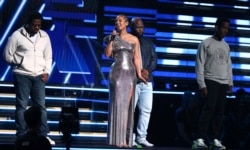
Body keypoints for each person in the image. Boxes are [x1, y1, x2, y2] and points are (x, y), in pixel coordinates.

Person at [3, 12, 55, 145]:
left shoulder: (44, 36)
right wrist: (20, 62)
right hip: (22, 75)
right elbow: (7, 55)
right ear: (28, 23)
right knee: (22, 106)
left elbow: (48, 57)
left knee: (41, 107)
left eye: (39, 25)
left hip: (39, 75)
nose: (36, 28)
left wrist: (47, 72)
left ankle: (43, 135)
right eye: (34, 25)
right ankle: (21, 135)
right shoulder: (17, 35)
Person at [104, 14, 146, 148]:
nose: (118, 23)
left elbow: (137, 58)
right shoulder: (112, 38)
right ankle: (117, 139)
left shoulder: (134, 39)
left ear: (127, 23)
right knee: (117, 105)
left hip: (129, 74)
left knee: (127, 107)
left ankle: (125, 139)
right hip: (116, 73)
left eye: (120, 21)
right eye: (116, 21)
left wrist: (139, 73)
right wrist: (112, 38)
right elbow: (107, 54)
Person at [193, 18, 233, 150]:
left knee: (219, 111)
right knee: (209, 109)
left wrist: (230, 82)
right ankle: (199, 138)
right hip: (210, 79)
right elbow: (199, 64)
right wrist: (201, 84)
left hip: (223, 81)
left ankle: (215, 139)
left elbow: (228, 65)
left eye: (227, 28)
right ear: (216, 27)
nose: (225, 30)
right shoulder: (206, 43)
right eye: (223, 28)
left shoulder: (226, 46)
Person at [130, 17, 157, 147]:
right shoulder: (128, 40)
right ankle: (130, 137)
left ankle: (141, 137)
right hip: (133, 80)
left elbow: (154, 59)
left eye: (142, 27)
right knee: (130, 110)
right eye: (137, 27)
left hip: (147, 80)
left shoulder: (148, 42)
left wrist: (147, 70)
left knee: (146, 110)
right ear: (131, 27)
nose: (140, 29)